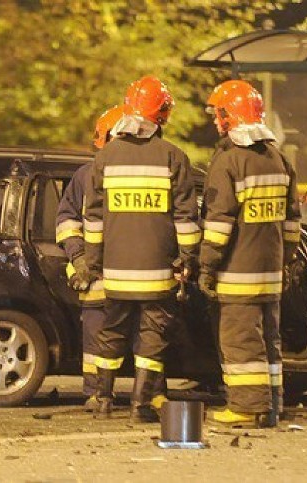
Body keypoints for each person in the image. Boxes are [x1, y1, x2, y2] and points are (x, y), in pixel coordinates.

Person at [84, 76, 200, 422]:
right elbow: (186, 221)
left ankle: (103, 402)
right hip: (157, 275)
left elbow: (93, 219)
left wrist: (92, 264)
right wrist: (188, 260)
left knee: (110, 334)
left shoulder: (105, 158)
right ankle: (139, 407)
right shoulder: (173, 158)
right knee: (152, 339)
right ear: (163, 114)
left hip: (116, 274)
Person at [198, 80, 301, 428]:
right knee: (269, 344)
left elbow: (218, 226)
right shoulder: (278, 159)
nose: (216, 122)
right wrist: (283, 262)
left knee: (241, 344)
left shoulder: (229, 162)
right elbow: (292, 225)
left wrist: (206, 268)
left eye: (219, 114)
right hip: (270, 275)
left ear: (230, 117)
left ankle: (244, 407)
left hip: (237, 275)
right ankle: (272, 406)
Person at [55, 105, 123, 411]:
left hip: (118, 273)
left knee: (118, 337)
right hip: (102, 275)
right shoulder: (84, 177)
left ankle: (108, 394)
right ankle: (98, 393)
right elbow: (67, 221)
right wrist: (79, 257)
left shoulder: (100, 175)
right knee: (99, 337)